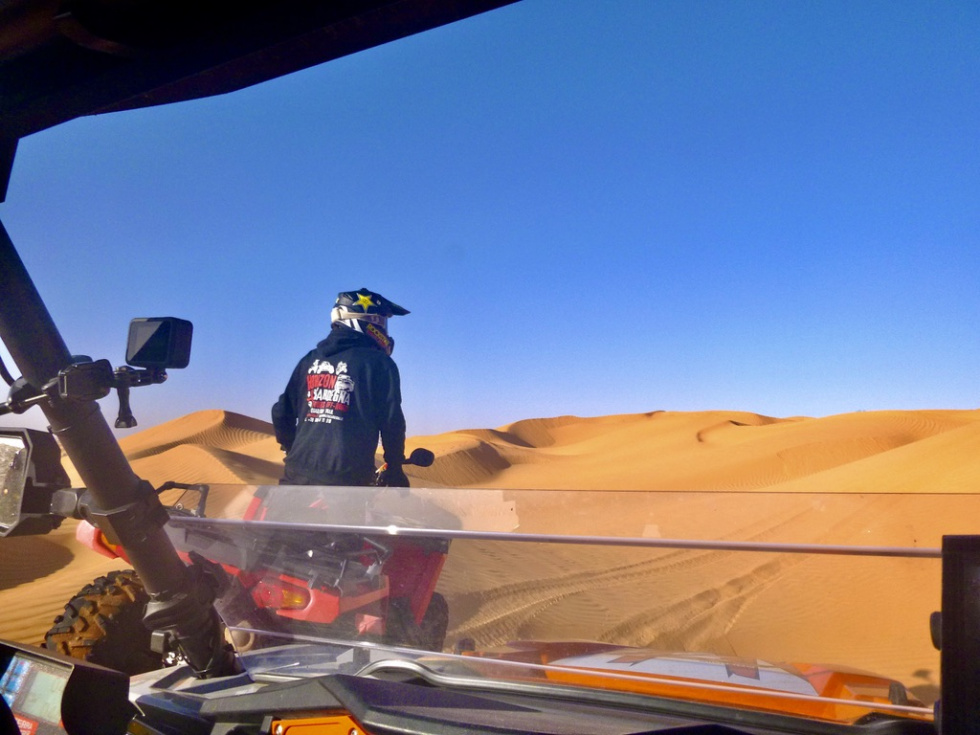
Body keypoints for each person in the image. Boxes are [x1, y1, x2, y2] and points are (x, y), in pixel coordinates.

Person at [272, 288, 409, 487]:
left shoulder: (309, 359)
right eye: (382, 322)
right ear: (369, 322)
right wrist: (395, 468)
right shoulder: (379, 363)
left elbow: (280, 412)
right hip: (346, 480)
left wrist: (291, 448)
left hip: (296, 473)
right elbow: (391, 422)